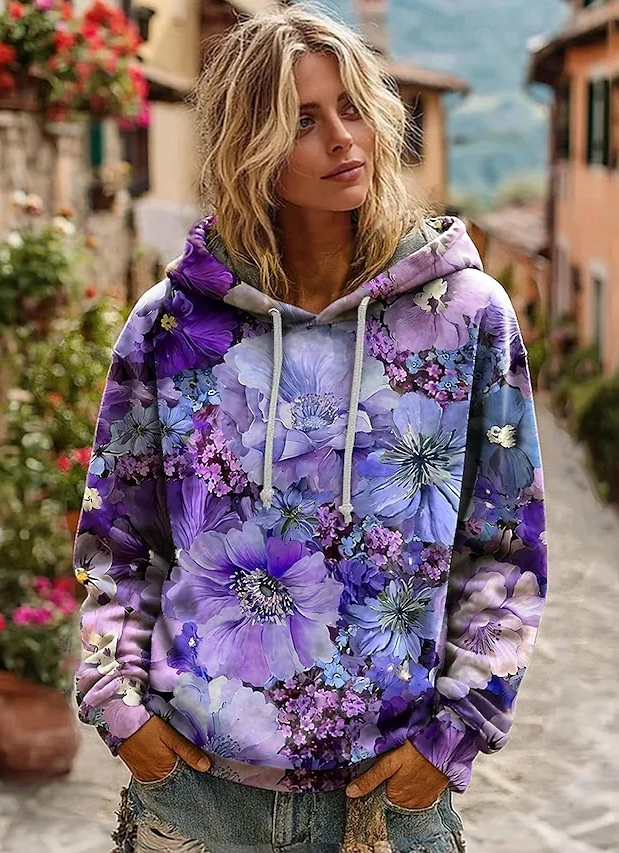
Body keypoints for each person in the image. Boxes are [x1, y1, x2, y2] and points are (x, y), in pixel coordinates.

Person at [72, 5, 549, 852]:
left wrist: (455, 734)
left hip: (386, 802)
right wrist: (120, 708)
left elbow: (508, 549)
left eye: (353, 108)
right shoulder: (171, 327)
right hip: (196, 794)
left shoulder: (466, 317)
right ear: (246, 144)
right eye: (302, 120)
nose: (342, 138)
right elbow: (116, 543)